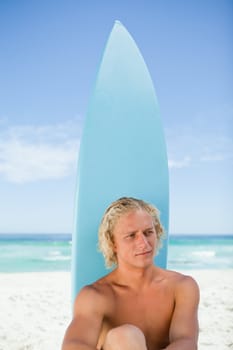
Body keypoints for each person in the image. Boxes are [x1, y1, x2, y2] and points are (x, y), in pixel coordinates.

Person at [62, 197, 199, 350]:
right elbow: (74, 345)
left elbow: (187, 341)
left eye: (148, 233)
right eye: (131, 236)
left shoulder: (181, 287)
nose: (144, 243)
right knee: (125, 336)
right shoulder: (95, 296)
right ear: (112, 243)